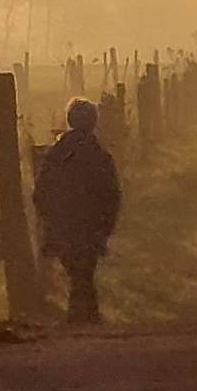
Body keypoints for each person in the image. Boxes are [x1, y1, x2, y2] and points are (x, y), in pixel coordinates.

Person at [33, 97, 122, 323]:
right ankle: (87, 318)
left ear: (70, 120)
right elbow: (111, 195)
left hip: (63, 225)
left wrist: (49, 219)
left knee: (77, 273)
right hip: (91, 226)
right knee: (84, 273)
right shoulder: (100, 156)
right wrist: (106, 226)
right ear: (94, 122)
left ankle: (80, 319)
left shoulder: (56, 155)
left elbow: (41, 192)